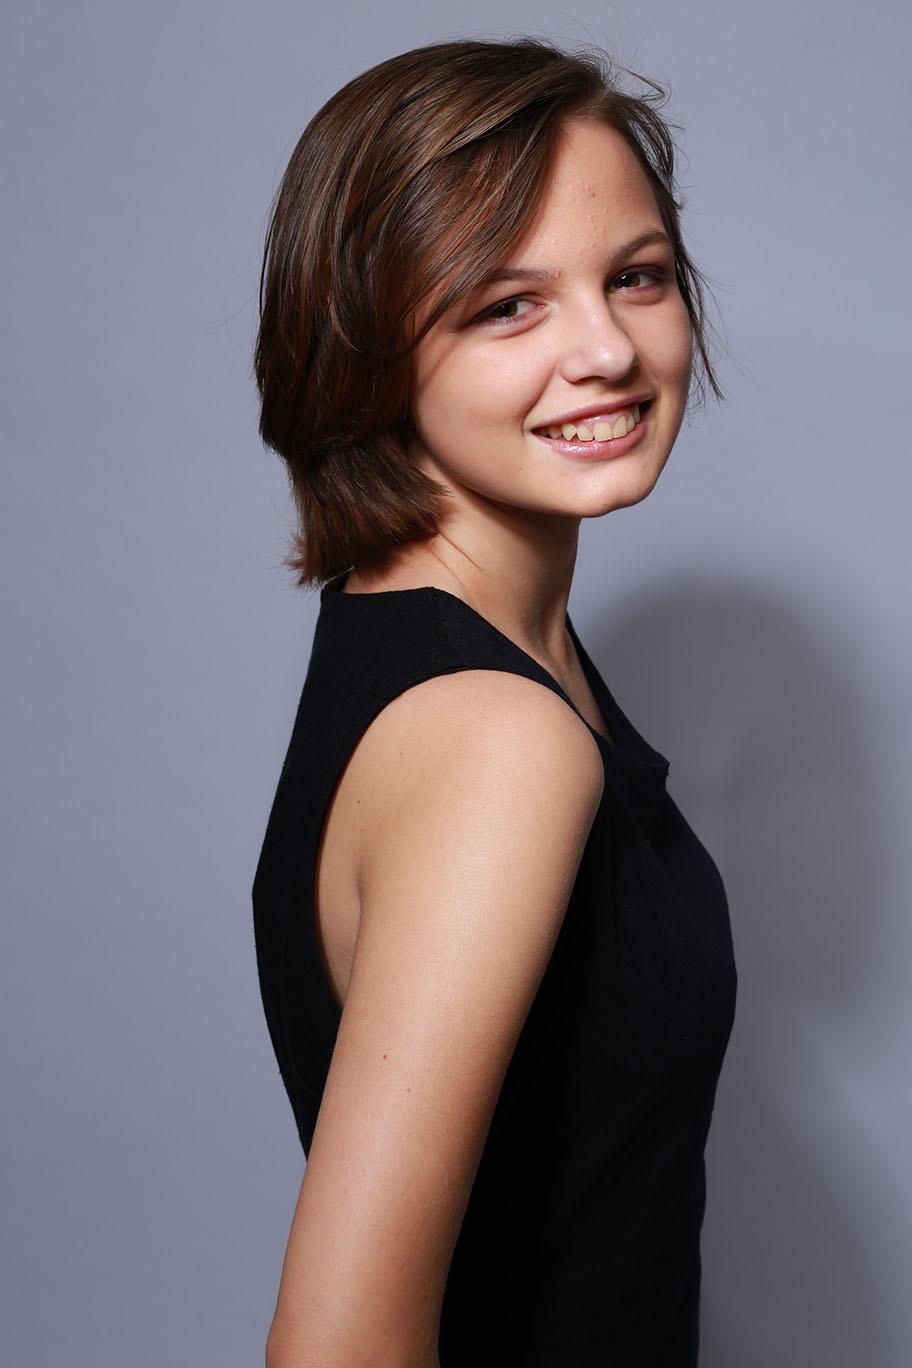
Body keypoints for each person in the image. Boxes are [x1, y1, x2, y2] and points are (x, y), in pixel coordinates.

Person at [252, 37, 736, 1368]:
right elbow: (341, 1345)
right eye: (507, 305)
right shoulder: (497, 737)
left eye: (636, 276)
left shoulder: (476, 654)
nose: (607, 349)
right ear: (365, 344)